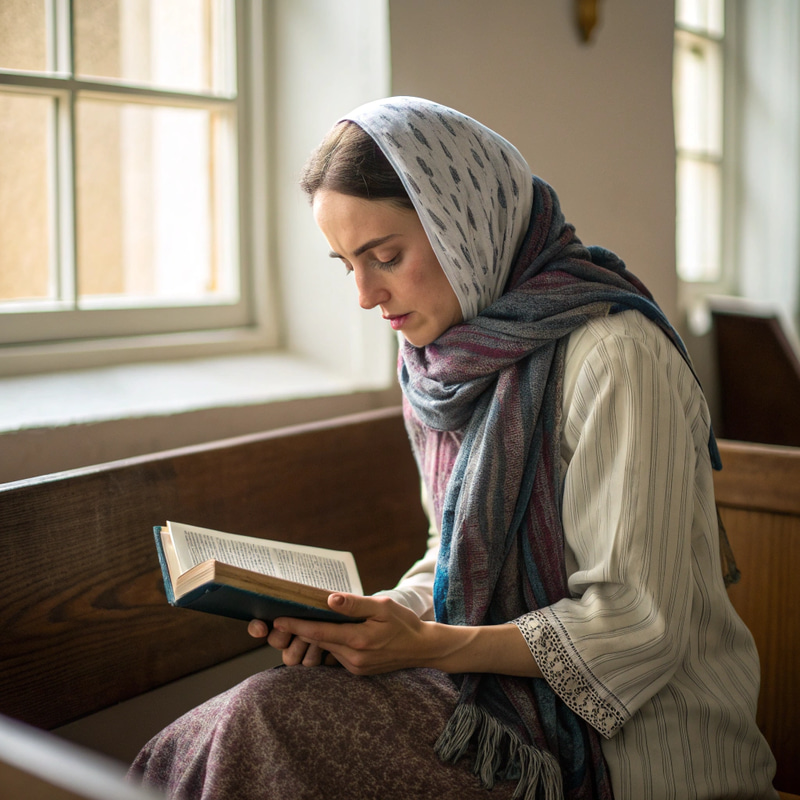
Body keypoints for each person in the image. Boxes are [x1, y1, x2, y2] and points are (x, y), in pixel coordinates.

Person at [129, 97, 777, 800]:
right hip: (496, 705)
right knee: (218, 731)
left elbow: (636, 623)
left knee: (265, 723)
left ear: (465, 223)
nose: (365, 295)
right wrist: (374, 621)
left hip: (644, 753)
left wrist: (424, 645)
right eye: (346, 265)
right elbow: (457, 553)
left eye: (385, 257)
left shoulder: (615, 357)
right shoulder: (439, 364)